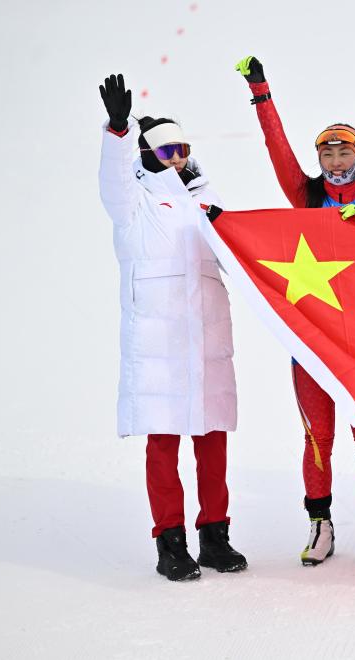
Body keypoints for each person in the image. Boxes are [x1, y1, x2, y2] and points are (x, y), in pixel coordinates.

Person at [235, 56, 355, 568]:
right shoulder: (305, 196)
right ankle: (319, 525)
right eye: (327, 150)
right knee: (317, 436)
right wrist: (261, 91)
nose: (335, 158)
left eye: (344, 149)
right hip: (311, 343)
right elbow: (276, 148)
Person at [97, 74, 247, 581]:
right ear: (146, 153)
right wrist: (118, 133)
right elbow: (114, 182)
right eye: (166, 151)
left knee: (213, 443)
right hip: (157, 345)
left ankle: (215, 536)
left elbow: (240, 254)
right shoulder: (134, 202)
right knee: (163, 446)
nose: (177, 159)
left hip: (207, 341)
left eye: (182, 149)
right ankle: (170, 542)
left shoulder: (207, 199)